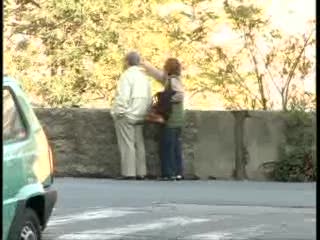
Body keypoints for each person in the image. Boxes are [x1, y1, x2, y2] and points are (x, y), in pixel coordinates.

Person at [141, 58, 185, 180]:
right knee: (175, 147)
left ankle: (169, 173)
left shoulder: (172, 82)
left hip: (171, 120)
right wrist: (146, 65)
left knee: (167, 147)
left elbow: (180, 95)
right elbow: (158, 75)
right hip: (178, 120)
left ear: (167, 68)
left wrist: (167, 100)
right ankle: (178, 172)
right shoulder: (173, 80)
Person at [111, 52, 152, 180]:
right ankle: (141, 172)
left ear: (127, 62)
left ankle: (129, 172)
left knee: (127, 144)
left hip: (128, 114)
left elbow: (122, 97)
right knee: (139, 144)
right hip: (141, 113)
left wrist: (118, 112)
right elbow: (150, 97)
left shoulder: (127, 76)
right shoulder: (145, 77)